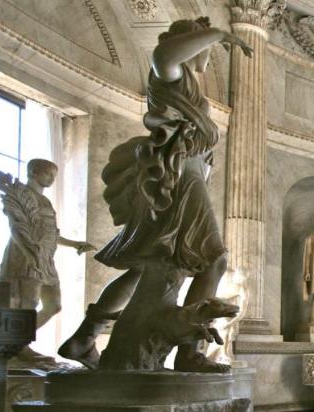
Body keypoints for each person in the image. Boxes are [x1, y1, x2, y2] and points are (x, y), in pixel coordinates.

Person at [58, 17, 252, 372]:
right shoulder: (172, 77)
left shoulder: (188, 87)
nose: (206, 54)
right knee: (214, 261)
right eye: (204, 47)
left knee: (146, 268)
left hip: (182, 177)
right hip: (180, 179)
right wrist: (217, 33)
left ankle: (85, 336)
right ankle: (190, 352)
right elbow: (163, 56)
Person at [0, 159, 95, 332]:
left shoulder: (45, 201)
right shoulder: (21, 193)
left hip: (45, 258)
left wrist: (75, 244)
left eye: (54, 175)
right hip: (25, 254)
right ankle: (17, 343)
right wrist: (29, 252)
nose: (52, 178)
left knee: (54, 305)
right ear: (33, 172)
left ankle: (19, 339)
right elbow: (16, 227)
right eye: (48, 174)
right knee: (27, 303)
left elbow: (51, 234)